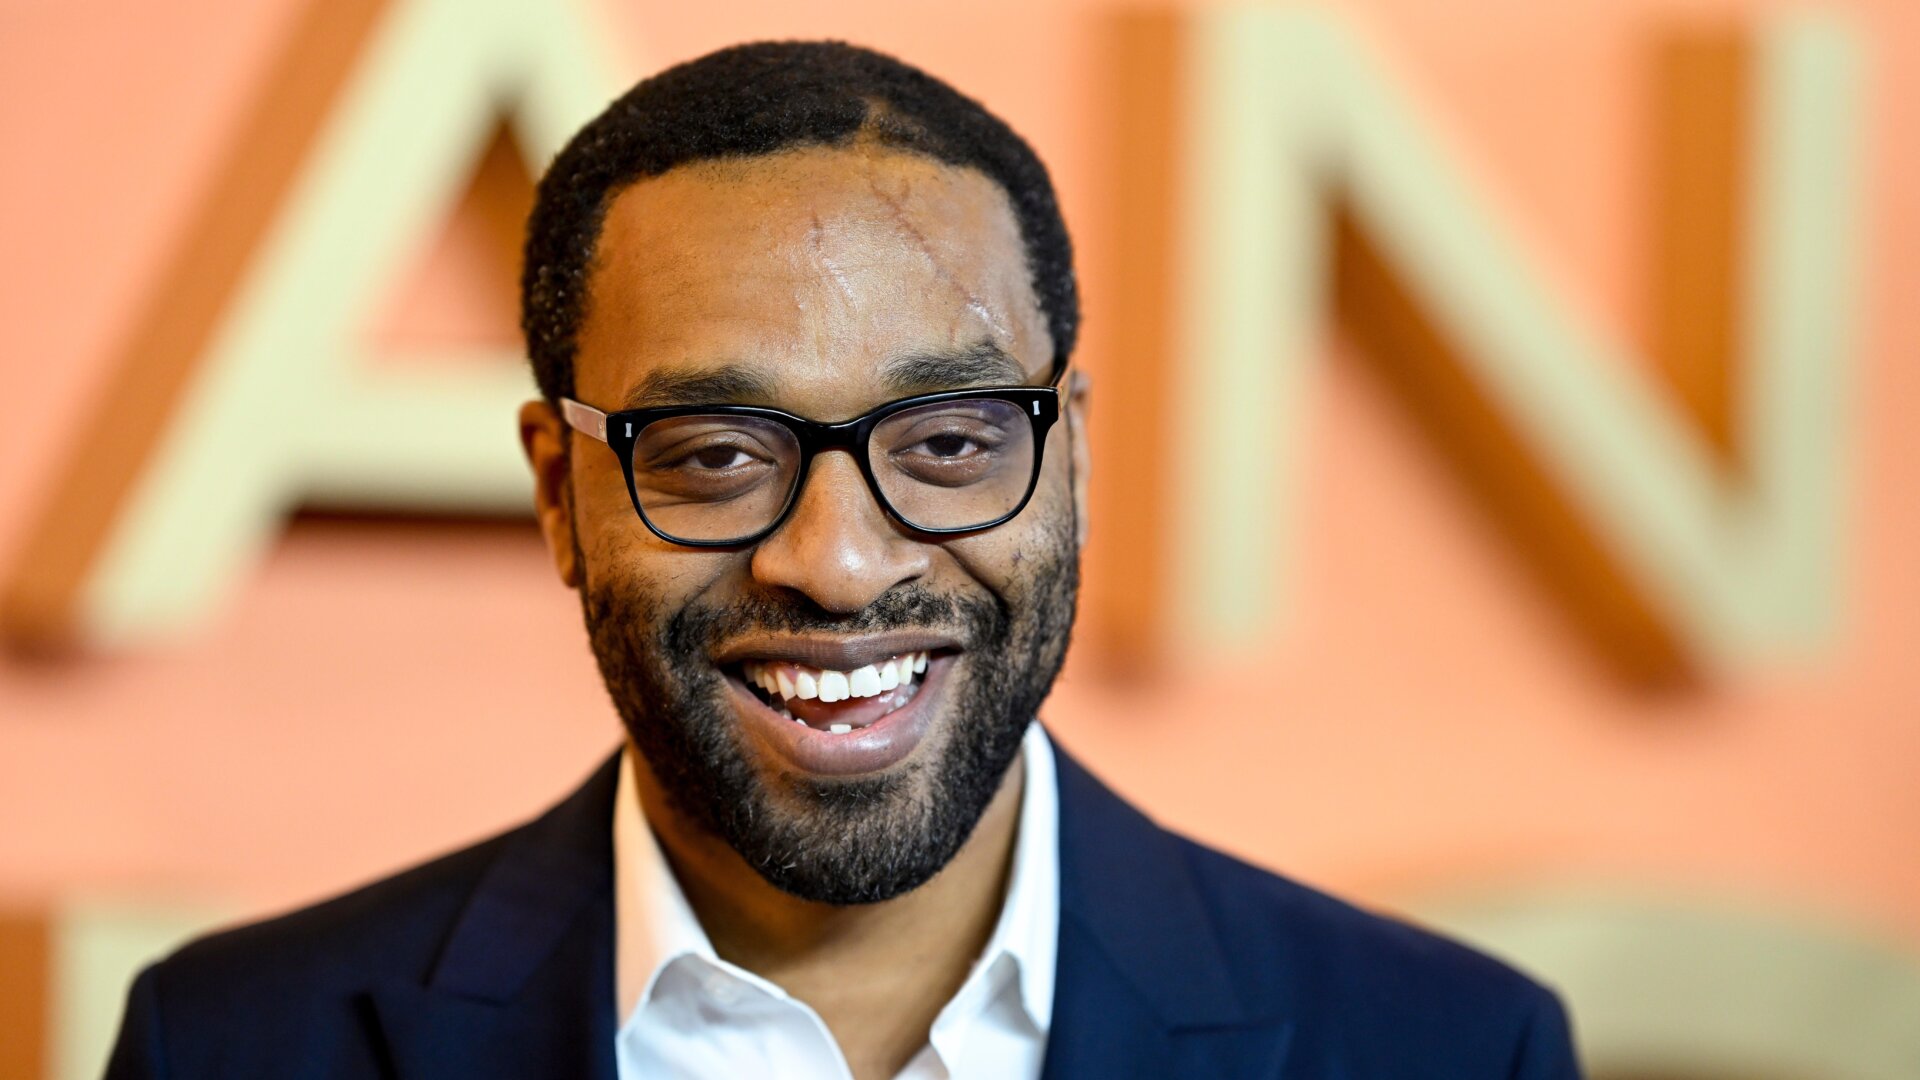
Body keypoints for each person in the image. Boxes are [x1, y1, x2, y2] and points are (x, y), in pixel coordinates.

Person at [105, 41, 1581, 1079]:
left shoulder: (1450, 1051)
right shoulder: (231, 1049)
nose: (841, 564)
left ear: (1068, 454)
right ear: (559, 493)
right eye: (714, 455)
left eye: (947, 442)